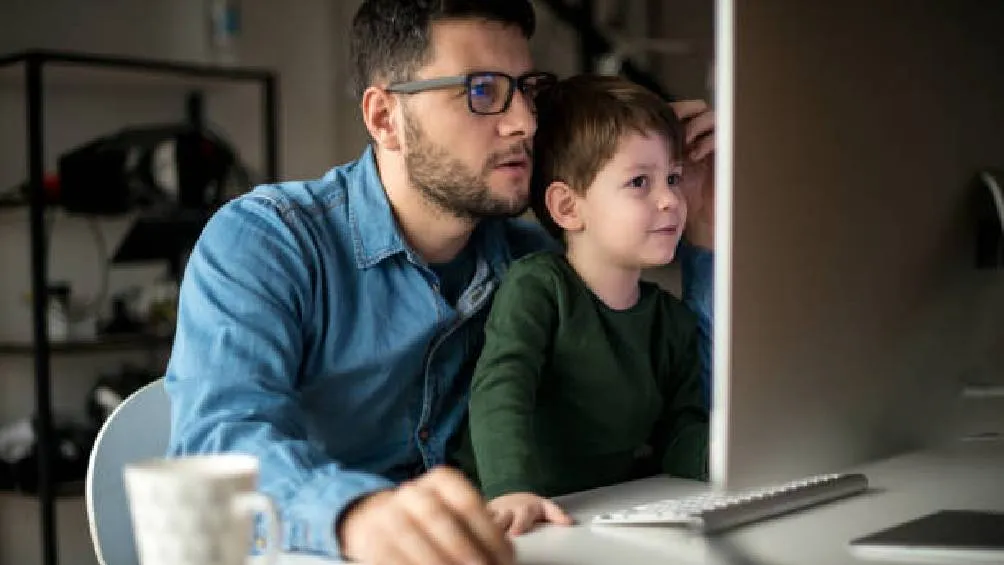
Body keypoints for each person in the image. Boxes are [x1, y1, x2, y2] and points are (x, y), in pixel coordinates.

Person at [163, 0, 716, 564]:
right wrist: (355, 514)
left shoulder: (540, 264)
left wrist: (705, 226)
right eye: (482, 90)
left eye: (527, 90)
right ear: (385, 118)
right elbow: (220, 444)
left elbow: (697, 406)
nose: (525, 123)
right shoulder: (270, 241)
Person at [463, 75, 709, 537]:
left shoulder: (671, 320)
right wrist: (511, 489)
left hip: (599, 516)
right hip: (512, 519)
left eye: (673, 178)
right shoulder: (538, 287)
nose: (670, 200)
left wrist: (740, 458)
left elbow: (679, 434)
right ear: (567, 207)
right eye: (640, 182)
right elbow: (501, 388)